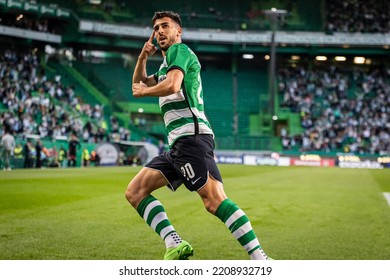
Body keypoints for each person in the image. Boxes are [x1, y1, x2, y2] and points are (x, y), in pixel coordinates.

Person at [126, 11, 271, 260]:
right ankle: (174, 242)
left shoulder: (179, 52)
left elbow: (170, 85)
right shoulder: (165, 65)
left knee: (214, 200)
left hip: (191, 138)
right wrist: (142, 57)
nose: (160, 31)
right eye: (157, 28)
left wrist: (144, 93)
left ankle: (261, 260)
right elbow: (138, 83)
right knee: (136, 191)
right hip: (178, 144)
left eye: (165, 26)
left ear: (178, 31)